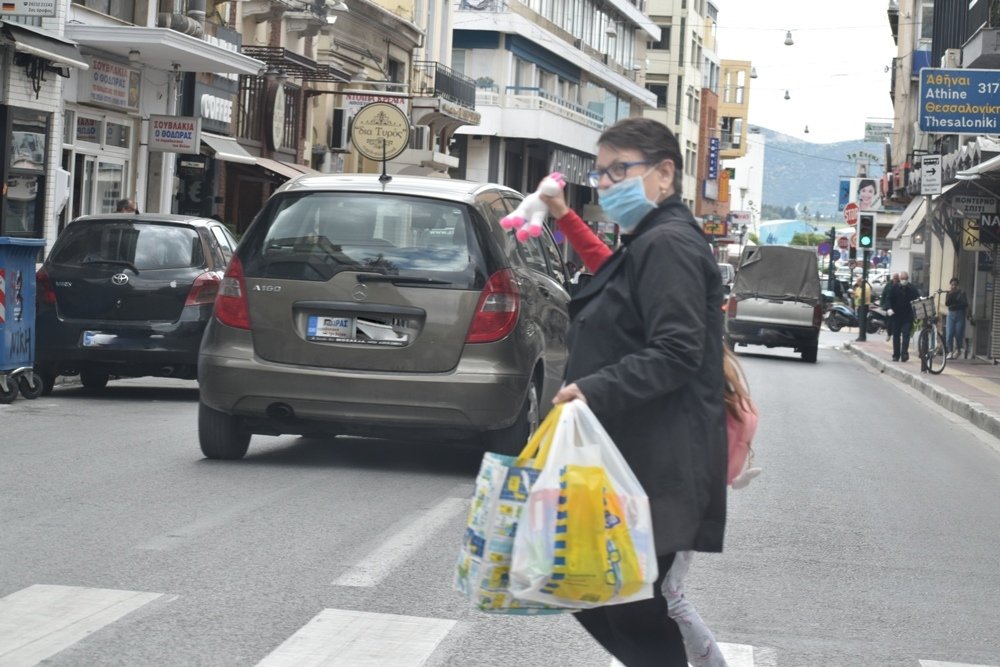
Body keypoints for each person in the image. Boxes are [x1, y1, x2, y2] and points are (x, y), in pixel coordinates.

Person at [540, 117, 727, 667]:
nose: (606, 184)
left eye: (619, 170)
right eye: (600, 174)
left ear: (664, 174)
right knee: (605, 595)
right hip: (636, 456)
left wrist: (592, 390)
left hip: (657, 462)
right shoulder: (647, 240)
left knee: (627, 605)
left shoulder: (666, 244)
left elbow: (677, 350)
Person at [885, 271, 920, 362]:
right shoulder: (894, 288)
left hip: (907, 316)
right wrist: (889, 308)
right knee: (896, 336)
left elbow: (917, 300)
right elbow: (888, 299)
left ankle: (904, 354)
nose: (904, 280)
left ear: (908, 279)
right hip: (896, 315)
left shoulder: (912, 289)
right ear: (900, 279)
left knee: (906, 335)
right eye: (902, 279)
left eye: (905, 279)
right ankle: (896, 355)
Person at [944, 277, 968, 360]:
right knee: (949, 334)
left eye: (955, 285)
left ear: (958, 285)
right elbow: (947, 303)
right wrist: (952, 296)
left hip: (960, 314)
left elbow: (964, 303)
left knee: (958, 334)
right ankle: (950, 351)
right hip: (951, 314)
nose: (953, 286)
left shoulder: (962, 293)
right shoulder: (948, 293)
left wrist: (956, 302)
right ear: (950, 285)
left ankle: (958, 350)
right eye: (952, 285)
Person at [880, 273, 899, 341]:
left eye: (896, 278)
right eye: (894, 278)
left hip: (897, 307)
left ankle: (894, 334)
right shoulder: (888, 285)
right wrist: (882, 304)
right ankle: (889, 333)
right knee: (888, 321)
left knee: (895, 322)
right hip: (889, 306)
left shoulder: (899, 285)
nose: (895, 280)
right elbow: (884, 294)